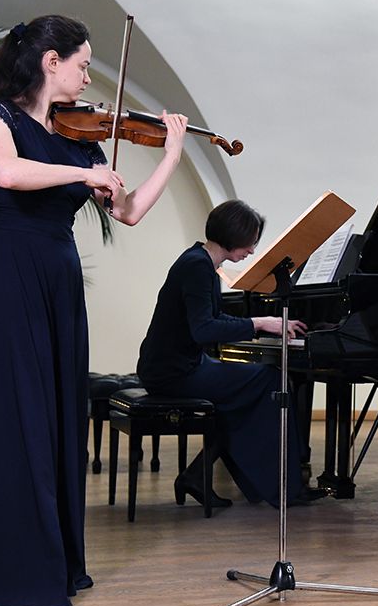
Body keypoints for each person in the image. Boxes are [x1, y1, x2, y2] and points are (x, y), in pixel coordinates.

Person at [0, 15, 188, 606]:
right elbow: (8, 173)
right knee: (12, 412)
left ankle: (52, 556)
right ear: (51, 61)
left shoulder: (80, 135)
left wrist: (171, 155)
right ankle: (2, 563)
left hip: (58, 281)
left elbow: (128, 211)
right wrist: (84, 172)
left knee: (55, 415)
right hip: (10, 275)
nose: (88, 77)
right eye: (83, 64)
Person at [136, 199, 318, 508]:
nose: (252, 250)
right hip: (173, 373)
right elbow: (204, 330)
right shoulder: (197, 266)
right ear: (233, 235)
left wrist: (259, 325)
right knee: (270, 380)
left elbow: (212, 319)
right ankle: (285, 486)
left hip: (176, 366)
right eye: (250, 242)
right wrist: (259, 323)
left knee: (247, 393)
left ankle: (198, 475)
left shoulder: (200, 261)